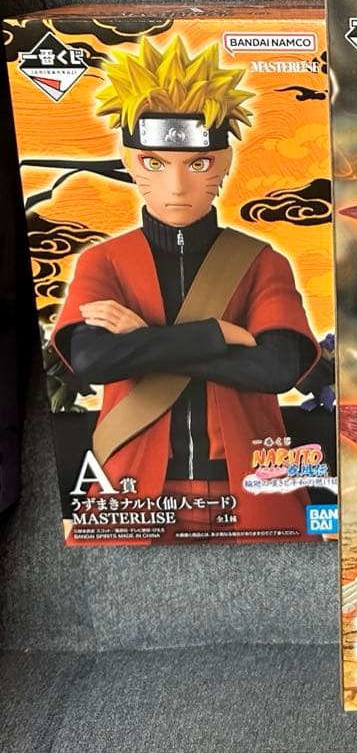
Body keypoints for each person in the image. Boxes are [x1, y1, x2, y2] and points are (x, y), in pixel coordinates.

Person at [51, 37, 320, 543]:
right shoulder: (103, 261)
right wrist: (217, 334)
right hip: (128, 488)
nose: (177, 186)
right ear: (130, 162)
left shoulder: (261, 261)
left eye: (197, 164)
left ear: (224, 162)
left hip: (256, 488)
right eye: (155, 163)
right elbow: (91, 361)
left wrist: (144, 340)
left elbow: (276, 369)